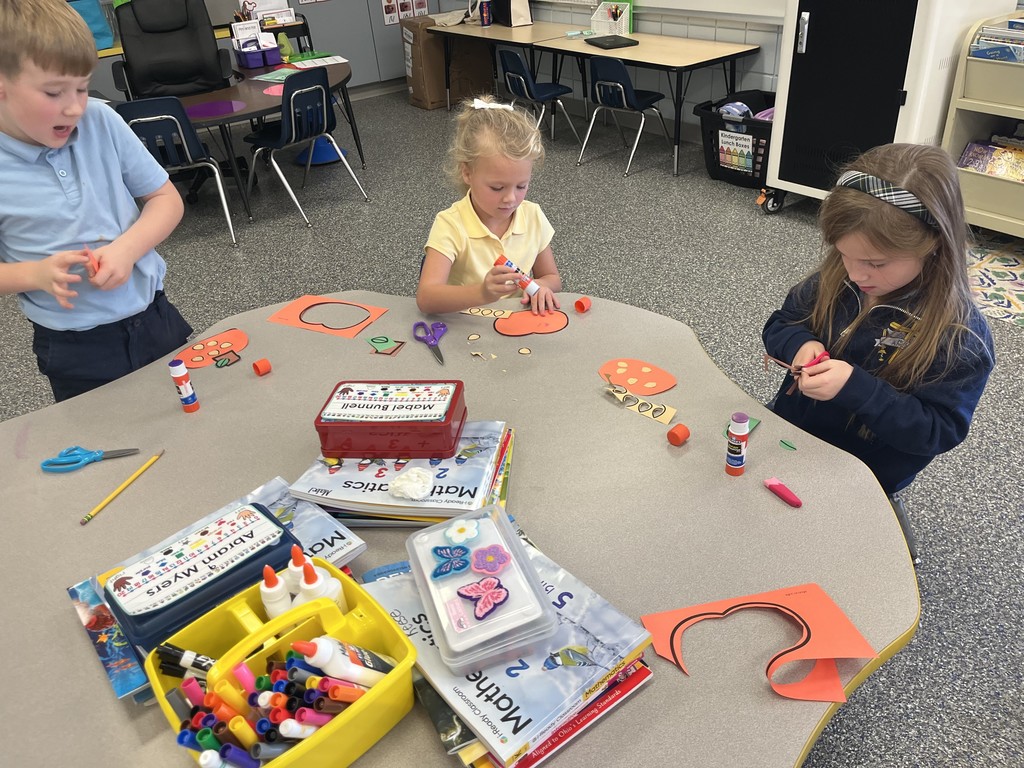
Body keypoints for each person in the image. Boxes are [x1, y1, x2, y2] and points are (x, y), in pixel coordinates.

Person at [762, 143, 995, 559]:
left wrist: (858, 389)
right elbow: (781, 324)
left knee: (828, 559)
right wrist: (801, 344)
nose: (855, 273)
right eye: (844, 254)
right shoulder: (836, 277)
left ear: (934, 244)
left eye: (876, 262)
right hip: (791, 437)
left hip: (865, 471)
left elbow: (937, 431)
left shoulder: (959, 336)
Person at [0, 0, 191, 402]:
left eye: (83, 88)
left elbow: (165, 198)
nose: (74, 106)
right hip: (75, 347)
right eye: (54, 92)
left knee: (189, 417)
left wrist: (127, 248)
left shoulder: (101, 120)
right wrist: (34, 275)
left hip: (155, 317)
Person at [417, 96, 562, 315]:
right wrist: (482, 293)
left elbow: (552, 278)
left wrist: (541, 287)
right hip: (467, 329)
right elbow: (426, 298)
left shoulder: (533, 215)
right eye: (497, 188)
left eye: (522, 186)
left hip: (516, 324)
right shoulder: (450, 224)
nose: (511, 199)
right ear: (467, 173)